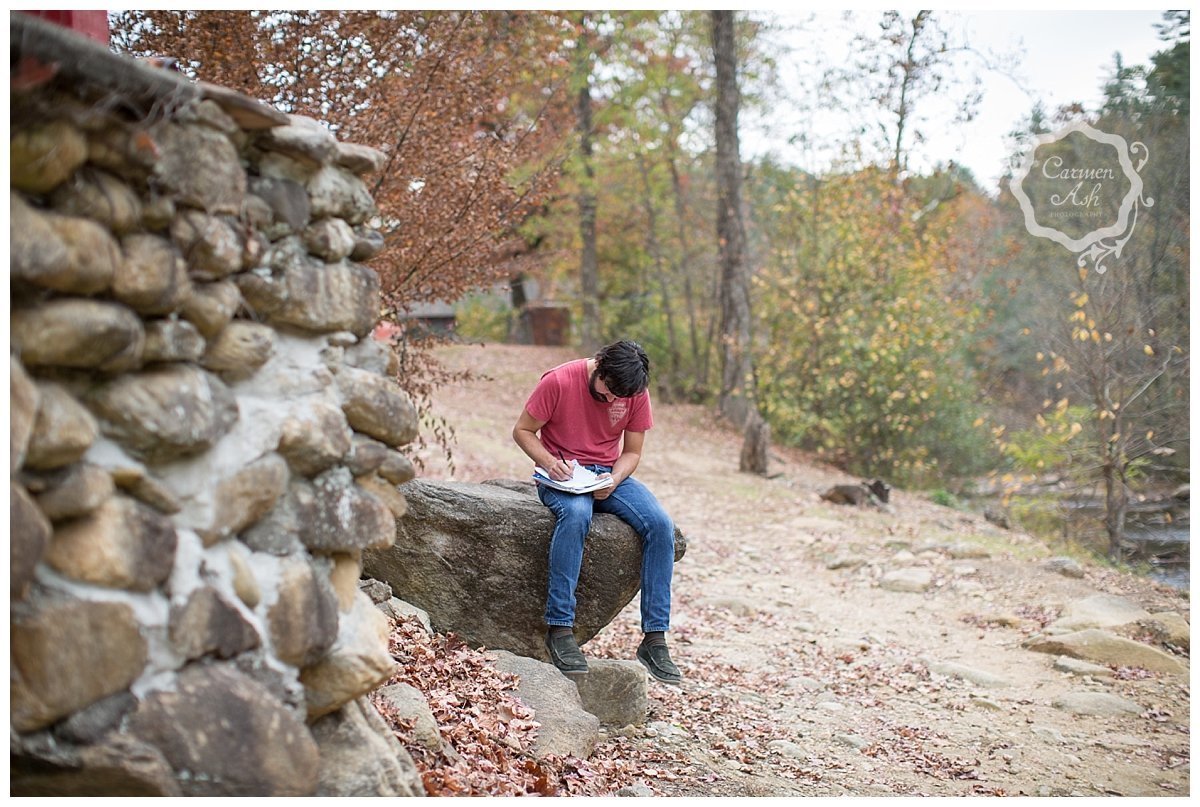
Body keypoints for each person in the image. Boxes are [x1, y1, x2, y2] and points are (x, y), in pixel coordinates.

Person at [512, 339, 681, 684]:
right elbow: (523, 431)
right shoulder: (559, 381)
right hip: (563, 475)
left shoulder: (633, 391)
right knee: (575, 516)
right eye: (608, 392)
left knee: (661, 525)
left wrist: (615, 477)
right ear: (599, 363)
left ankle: (654, 638)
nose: (614, 400)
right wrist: (548, 461)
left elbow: (632, 452)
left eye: (621, 396)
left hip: (607, 475)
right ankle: (560, 628)